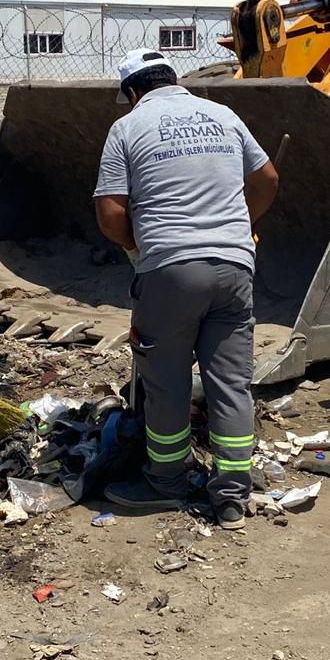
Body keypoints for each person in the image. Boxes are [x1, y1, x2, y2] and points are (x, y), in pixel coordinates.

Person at [93, 48, 280, 530]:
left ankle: (166, 484)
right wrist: (241, 226)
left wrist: (140, 246)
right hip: (235, 268)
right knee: (231, 383)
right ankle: (233, 497)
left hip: (170, 271)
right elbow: (267, 178)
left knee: (167, 382)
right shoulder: (223, 115)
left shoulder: (128, 127)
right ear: (173, 79)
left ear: (132, 91)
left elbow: (111, 212)